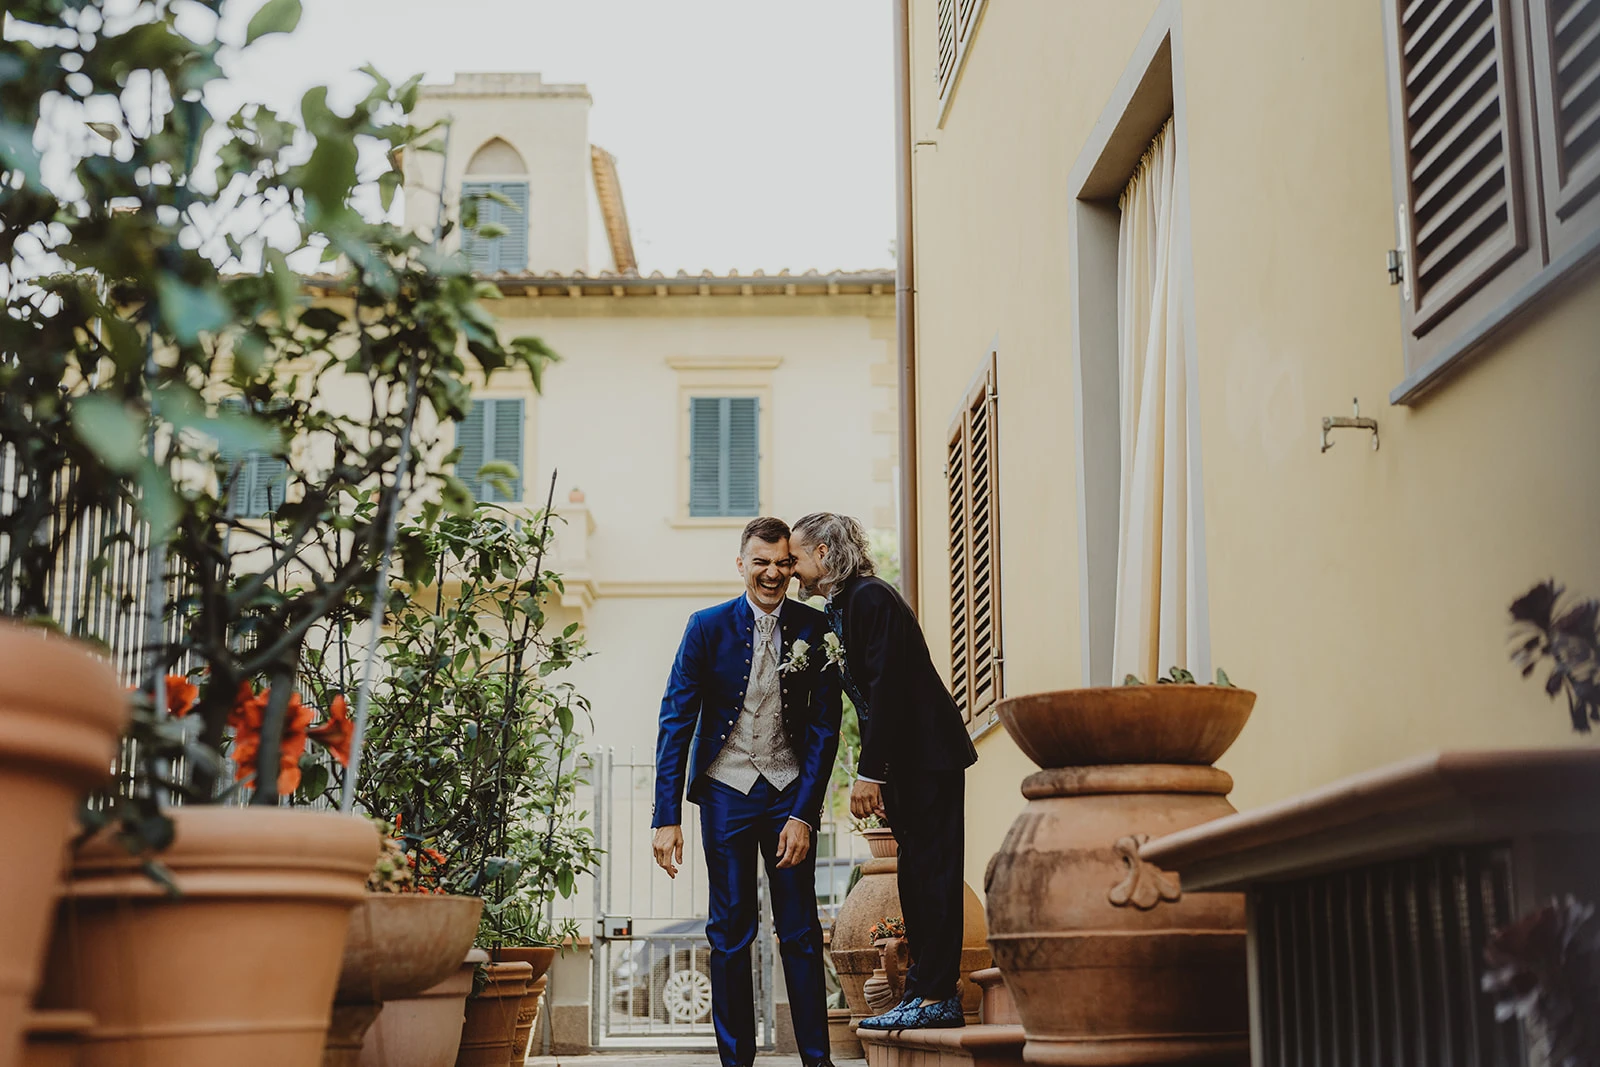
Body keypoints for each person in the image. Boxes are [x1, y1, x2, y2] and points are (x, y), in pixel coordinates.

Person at [651, 516, 841, 1067]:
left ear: (793, 566)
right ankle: (736, 1063)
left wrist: (804, 814)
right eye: (761, 562)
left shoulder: (816, 628)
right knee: (731, 930)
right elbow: (676, 721)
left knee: (800, 930)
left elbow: (825, 728)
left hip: (787, 793)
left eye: (783, 563)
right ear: (741, 564)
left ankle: (817, 1061)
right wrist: (667, 816)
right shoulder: (706, 627)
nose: (773, 573)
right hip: (726, 791)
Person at [789, 512, 977, 1030]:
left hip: (929, 756)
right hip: (910, 761)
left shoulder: (870, 597)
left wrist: (872, 773)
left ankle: (938, 997)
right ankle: (924, 993)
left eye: (796, 558)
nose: (791, 569)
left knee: (933, 875)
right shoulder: (844, 605)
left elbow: (887, 689)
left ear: (823, 553)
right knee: (916, 877)